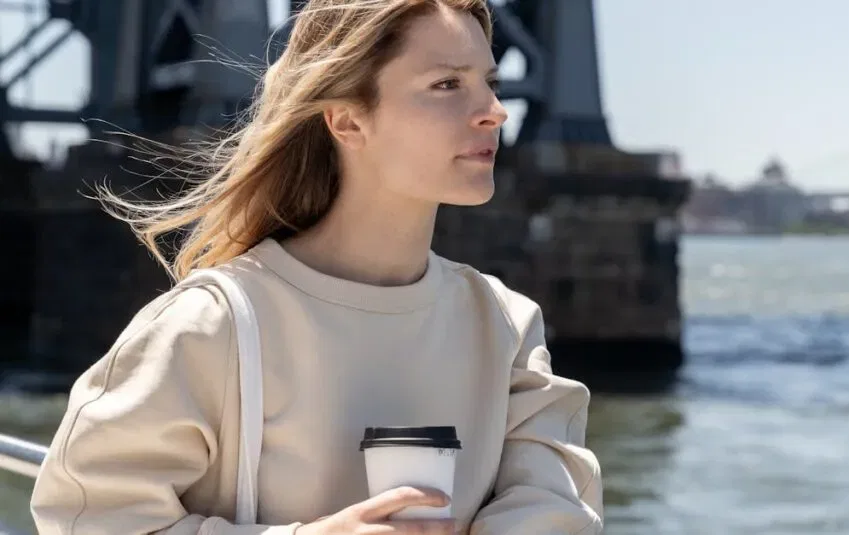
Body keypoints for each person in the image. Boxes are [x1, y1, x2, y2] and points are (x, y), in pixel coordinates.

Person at [28, 0, 603, 534]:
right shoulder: (212, 326)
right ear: (347, 121)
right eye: (448, 84)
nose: (495, 112)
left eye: (490, 83)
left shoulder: (508, 329)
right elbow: (86, 515)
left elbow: (558, 511)